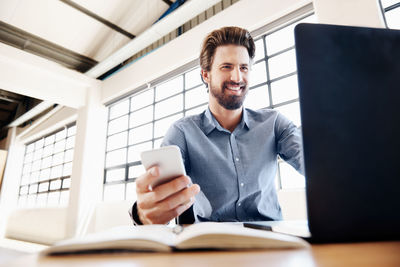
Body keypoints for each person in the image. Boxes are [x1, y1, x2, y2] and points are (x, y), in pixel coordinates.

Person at [130, 26, 304, 225]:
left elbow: (314, 164)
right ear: (206, 75)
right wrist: (143, 214)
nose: (237, 77)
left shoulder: (274, 123)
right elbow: (158, 194)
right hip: (209, 244)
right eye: (226, 67)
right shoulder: (183, 132)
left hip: (272, 242)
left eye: (243, 67)